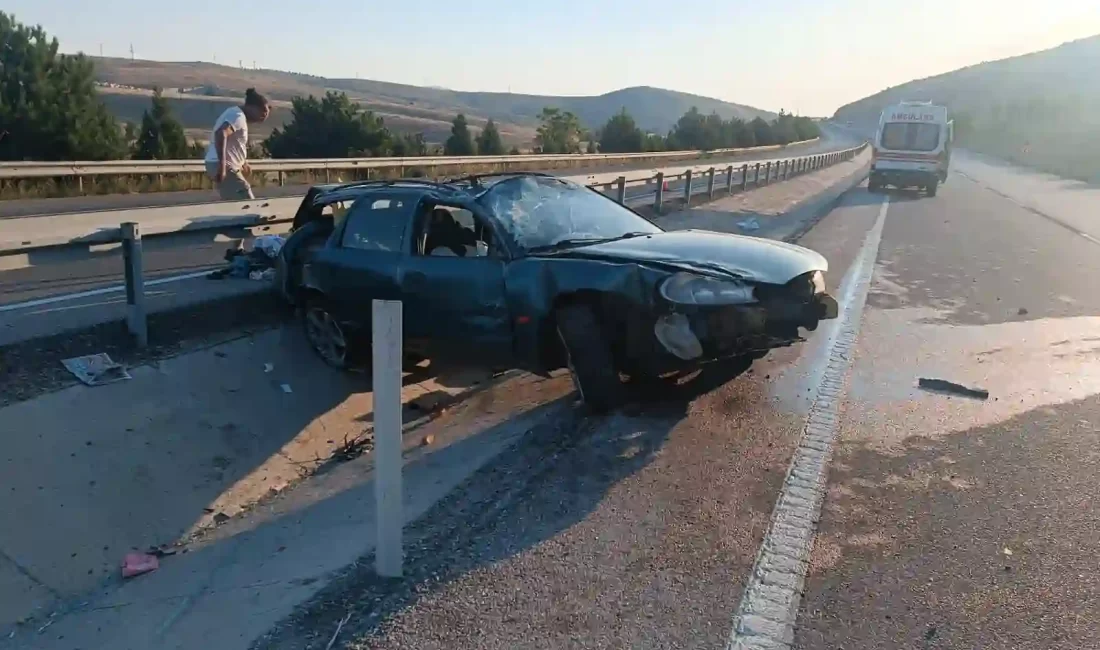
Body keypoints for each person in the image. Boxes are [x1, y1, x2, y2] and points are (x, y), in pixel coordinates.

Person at [204, 88, 271, 200]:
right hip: (223, 165)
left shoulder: (237, 115)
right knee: (246, 202)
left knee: (234, 205)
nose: (263, 117)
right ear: (252, 107)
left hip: (224, 165)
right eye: (262, 112)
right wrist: (222, 166)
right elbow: (221, 133)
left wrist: (242, 162)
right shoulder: (237, 116)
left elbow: (234, 144)